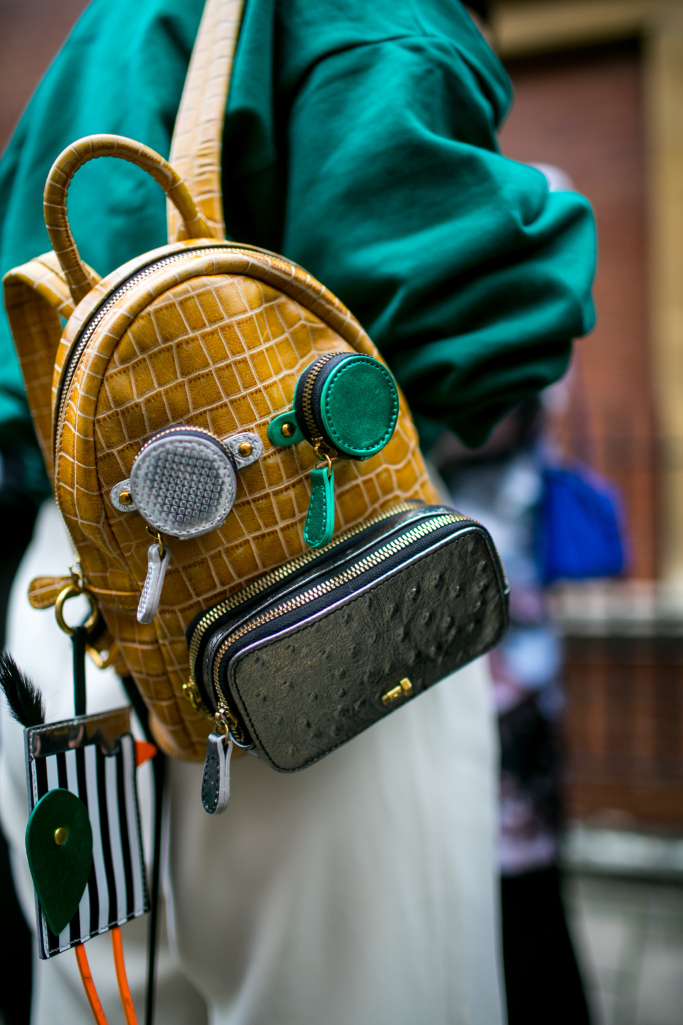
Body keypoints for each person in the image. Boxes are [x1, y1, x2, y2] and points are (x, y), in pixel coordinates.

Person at [0, 1, 596, 1022]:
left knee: (101, 999)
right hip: (323, 617)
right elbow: (471, 327)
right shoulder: (365, 15)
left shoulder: (97, 36)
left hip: (71, 620)